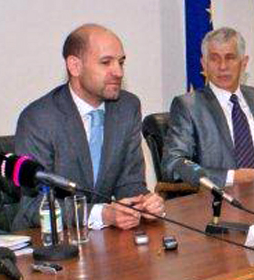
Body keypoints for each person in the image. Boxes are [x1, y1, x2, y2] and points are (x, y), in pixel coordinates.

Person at [12, 23, 164, 232]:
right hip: (48, 241)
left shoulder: (127, 107)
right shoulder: (39, 118)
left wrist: (144, 202)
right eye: (106, 62)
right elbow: (33, 206)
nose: (118, 72)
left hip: (105, 243)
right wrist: (101, 214)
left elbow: (129, 182)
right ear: (74, 66)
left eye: (121, 62)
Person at [162, 27, 254, 188]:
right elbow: (173, 164)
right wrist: (232, 177)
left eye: (230, 58)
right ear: (204, 64)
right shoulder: (189, 107)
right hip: (226, 198)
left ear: (244, 63)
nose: (222, 66)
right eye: (214, 59)